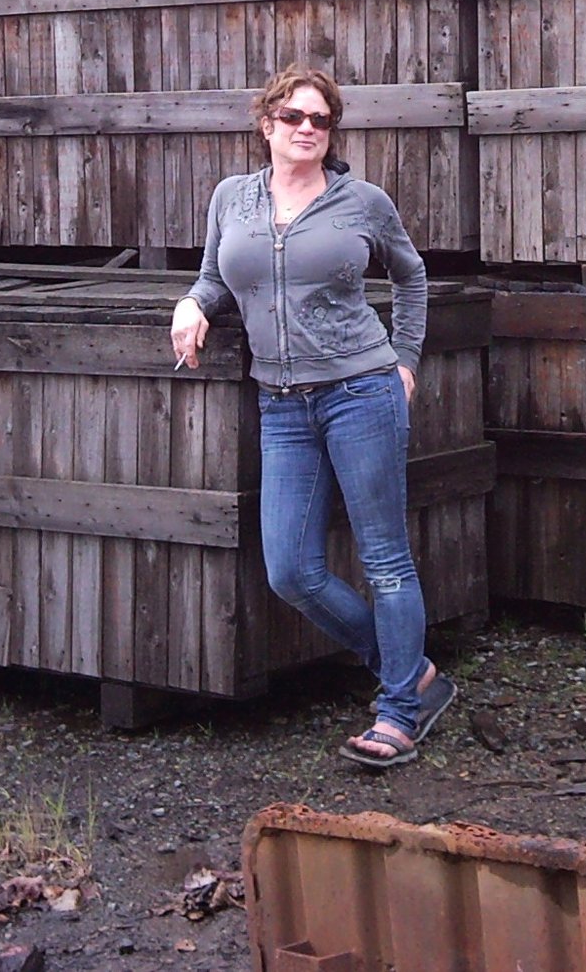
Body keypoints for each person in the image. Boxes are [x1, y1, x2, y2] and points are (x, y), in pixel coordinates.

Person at [168, 64, 453, 769]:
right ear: (266, 124)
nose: (306, 129)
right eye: (293, 116)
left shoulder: (362, 202)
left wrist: (406, 357)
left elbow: (410, 274)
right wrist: (192, 303)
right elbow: (216, 275)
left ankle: (398, 711)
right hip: (282, 404)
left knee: (385, 558)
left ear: (332, 132)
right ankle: (411, 670)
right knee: (291, 570)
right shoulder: (232, 199)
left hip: (361, 390)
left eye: (320, 120)